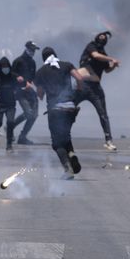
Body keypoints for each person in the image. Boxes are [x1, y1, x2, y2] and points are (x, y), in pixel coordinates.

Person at [34, 47, 84, 179]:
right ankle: (72, 155)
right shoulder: (67, 65)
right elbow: (79, 78)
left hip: (55, 110)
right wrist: (76, 94)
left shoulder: (40, 72)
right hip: (70, 108)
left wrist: (42, 92)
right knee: (65, 136)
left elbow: (40, 94)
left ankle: (68, 169)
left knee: (57, 143)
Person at [74, 31, 120, 151]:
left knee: (103, 114)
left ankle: (108, 140)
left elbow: (107, 70)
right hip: (82, 85)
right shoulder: (91, 46)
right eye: (101, 35)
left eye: (104, 37)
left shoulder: (103, 53)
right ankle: (61, 134)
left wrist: (113, 65)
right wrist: (111, 58)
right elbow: (95, 56)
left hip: (95, 87)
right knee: (69, 107)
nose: (102, 37)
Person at [10, 41, 39, 145]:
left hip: (29, 90)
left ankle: (22, 137)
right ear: (26, 48)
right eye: (31, 49)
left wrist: (31, 84)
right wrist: (17, 77)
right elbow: (10, 73)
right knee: (28, 113)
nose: (33, 52)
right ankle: (11, 127)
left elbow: (32, 77)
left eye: (34, 50)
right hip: (19, 91)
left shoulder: (33, 63)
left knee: (34, 115)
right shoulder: (18, 61)